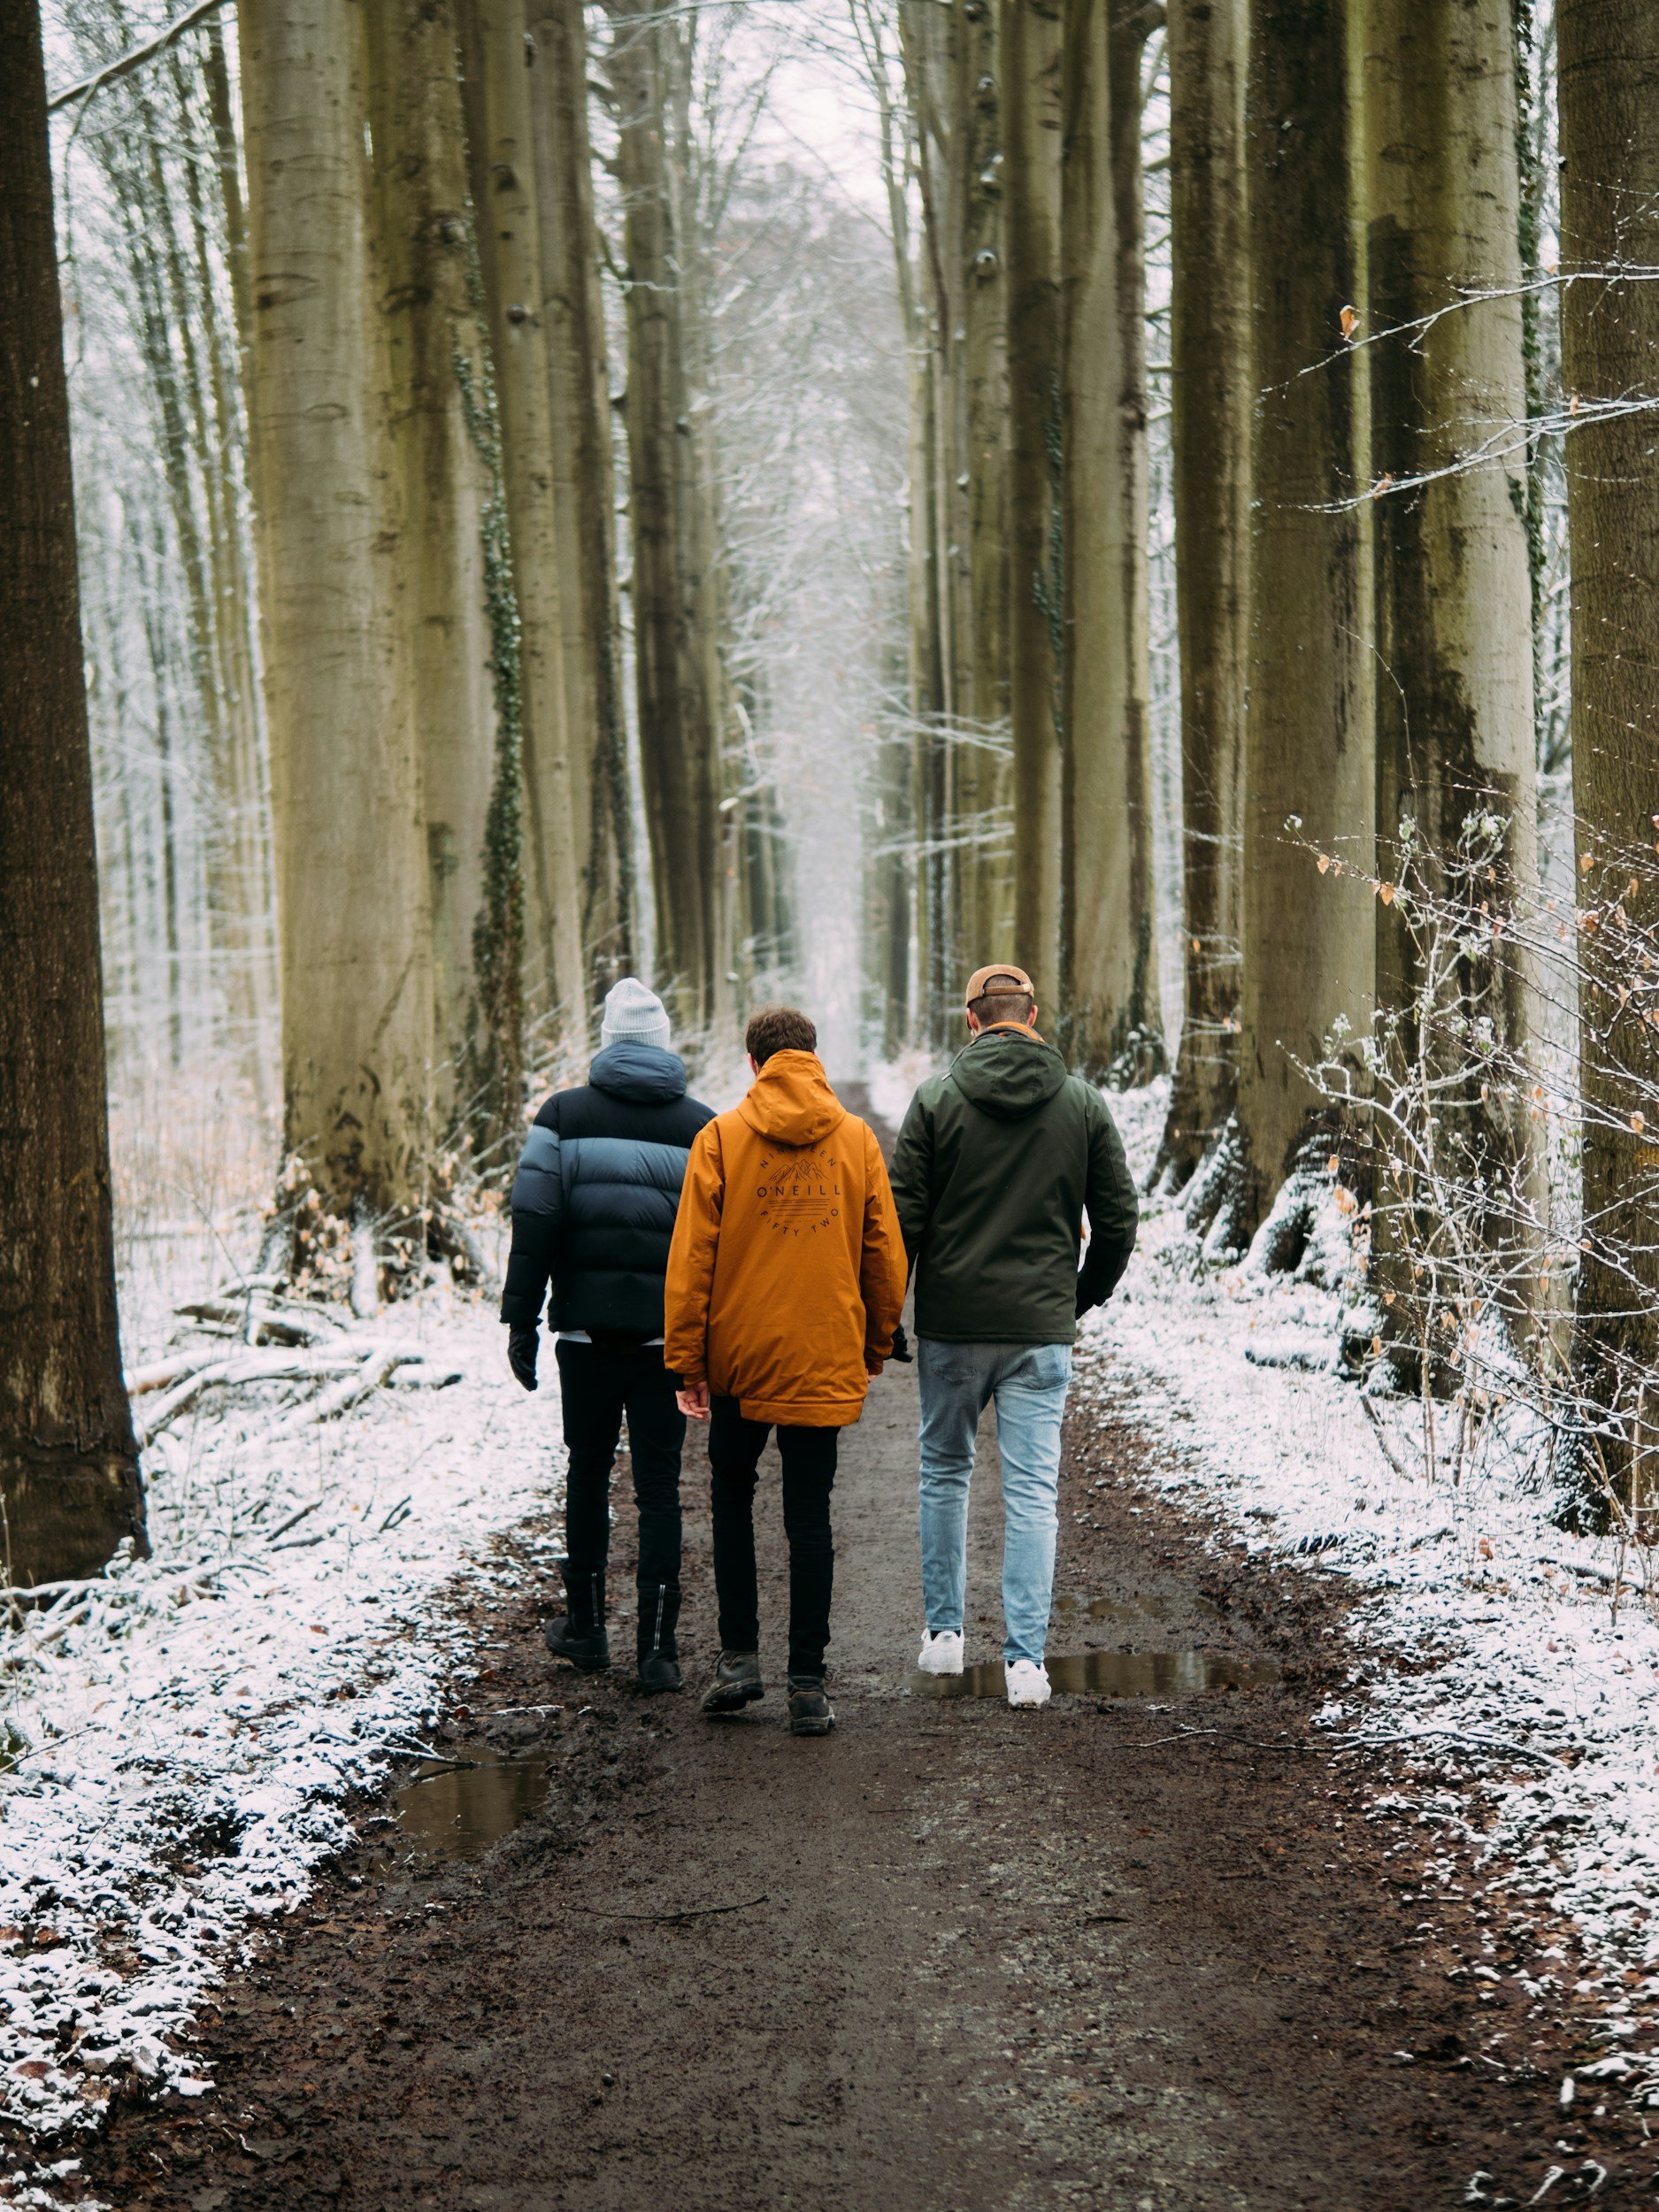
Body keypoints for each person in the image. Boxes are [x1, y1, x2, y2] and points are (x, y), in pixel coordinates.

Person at [888, 964, 1139, 1709]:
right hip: (1039, 1330)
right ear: (1031, 1015)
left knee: (944, 1472)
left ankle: (943, 1640)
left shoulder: (934, 1100)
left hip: (953, 1327)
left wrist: (882, 1317)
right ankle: (1025, 1663)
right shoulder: (1081, 1104)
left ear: (971, 1021)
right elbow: (1119, 1218)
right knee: (1031, 1492)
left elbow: (899, 1222)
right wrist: (1076, 1298)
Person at [664, 1005, 907, 1738]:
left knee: (732, 1503)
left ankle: (738, 1660)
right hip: (820, 1353)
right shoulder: (856, 1139)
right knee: (809, 1517)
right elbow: (884, 1255)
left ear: (753, 1064)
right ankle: (808, 1684)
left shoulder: (720, 1138)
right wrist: (874, 1345)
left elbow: (691, 1260)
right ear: (812, 1057)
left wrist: (687, 1363)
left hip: (738, 1362)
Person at [501, 978, 715, 1692]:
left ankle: (588, 1630)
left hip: (586, 1338)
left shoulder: (561, 1115)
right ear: (663, 1047)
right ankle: (658, 1650)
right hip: (666, 1343)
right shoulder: (702, 1128)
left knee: (587, 1471)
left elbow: (534, 1224)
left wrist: (520, 1319)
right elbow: (718, 1244)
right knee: (659, 1489)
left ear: (606, 1044)